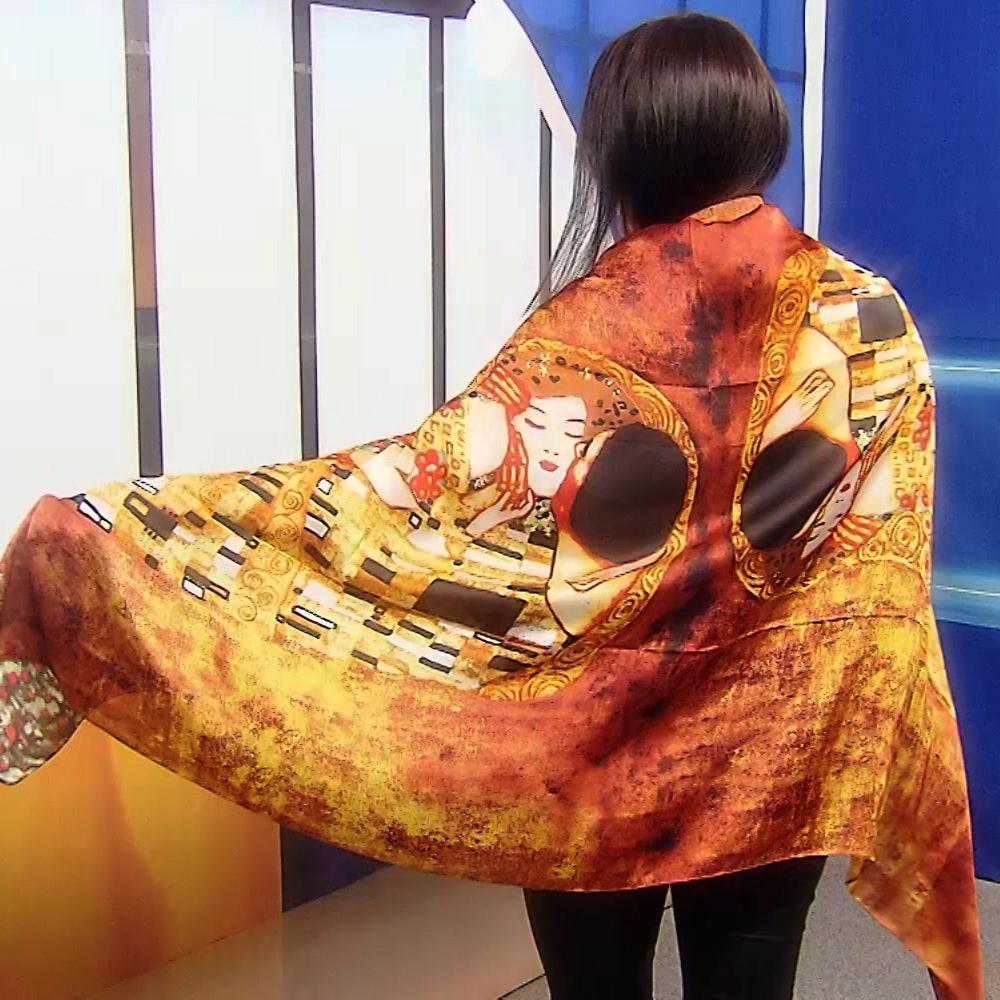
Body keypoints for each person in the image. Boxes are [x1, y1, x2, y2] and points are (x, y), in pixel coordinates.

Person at [0, 12, 982, 1000]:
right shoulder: (866, 320)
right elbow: (878, 565)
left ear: (624, 148)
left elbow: (404, 501)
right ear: (757, 134)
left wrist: (131, 535)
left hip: (585, 756)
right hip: (777, 747)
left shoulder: (581, 332)